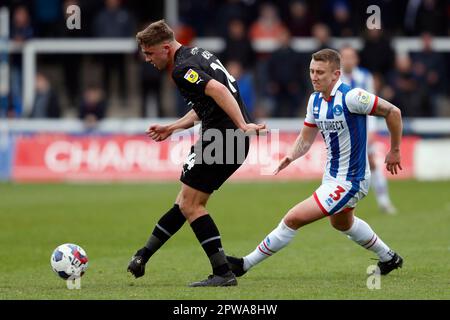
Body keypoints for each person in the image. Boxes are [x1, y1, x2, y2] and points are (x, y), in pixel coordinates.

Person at [227, 49, 404, 278]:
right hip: (331, 177)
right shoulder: (315, 100)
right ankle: (389, 257)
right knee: (342, 224)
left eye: (320, 72)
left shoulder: (352, 97)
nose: (314, 76)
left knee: (292, 219)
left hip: (351, 180)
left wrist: (395, 149)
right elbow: (306, 138)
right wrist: (290, 157)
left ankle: (243, 265)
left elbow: (393, 112)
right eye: (312, 71)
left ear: (335, 74)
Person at [127, 20, 265, 287]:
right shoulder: (197, 53)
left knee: (190, 205)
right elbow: (207, 102)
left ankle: (223, 273)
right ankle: (143, 256)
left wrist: (242, 125)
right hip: (229, 139)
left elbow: (218, 90)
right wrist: (173, 127)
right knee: (186, 201)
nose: (146, 59)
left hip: (221, 138)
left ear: (166, 48)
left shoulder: (181, 69)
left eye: (149, 53)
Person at [340, 45, 397, 214]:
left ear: (356, 59)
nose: (348, 60)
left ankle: (384, 201)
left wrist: (371, 129)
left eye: (351, 57)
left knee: (372, 162)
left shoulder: (365, 77)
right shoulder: (335, 77)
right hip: (344, 130)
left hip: (362, 127)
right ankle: (341, 204)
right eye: (344, 57)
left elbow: (373, 104)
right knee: (343, 166)